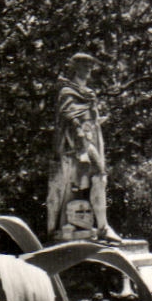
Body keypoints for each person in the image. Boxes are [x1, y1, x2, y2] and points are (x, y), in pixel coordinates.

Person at [47, 52, 123, 241]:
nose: (88, 70)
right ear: (75, 67)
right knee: (73, 184)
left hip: (92, 138)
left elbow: (90, 117)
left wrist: (97, 121)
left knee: (99, 178)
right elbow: (67, 115)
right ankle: (63, 226)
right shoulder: (66, 90)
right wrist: (79, 131)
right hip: (75, 143)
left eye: (90, 67)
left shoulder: (89, 93)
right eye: (84, 66)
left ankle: (103, 227)